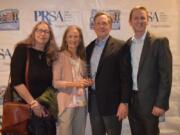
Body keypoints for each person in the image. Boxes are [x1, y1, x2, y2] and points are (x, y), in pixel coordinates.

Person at [126, 6, 172, 135]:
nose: (139, 21)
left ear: (147, 20)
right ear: (130, 22)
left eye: (142, 18)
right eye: (136, 18)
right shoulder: (128, 44)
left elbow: (166, 76)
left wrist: (161, 103)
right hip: (132, 101)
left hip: (151, 103)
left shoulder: (159, 42)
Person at [86, 12, 131, 135]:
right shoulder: (89, 48)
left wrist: (124, 102)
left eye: (104, 23)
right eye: (98, 23)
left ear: (110, 26)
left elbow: (126, 77)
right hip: (94, 101)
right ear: (94, 27)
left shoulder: (120, 46)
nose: (101, 26)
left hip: (113, 104)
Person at [10, 21, 58, 135]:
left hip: (46, 108)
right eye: (40, 30)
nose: (43, 34)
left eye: (47, 32)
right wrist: (33, 104)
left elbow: (53, 84)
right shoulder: (22, 49)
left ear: (50, 36)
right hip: (27, 108)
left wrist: (43, 103)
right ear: (34, 32)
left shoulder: (51, 55)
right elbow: (16, 81)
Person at [52, 25, 93, 135]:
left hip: (81, 103)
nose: (73, 39)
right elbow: (55, 83)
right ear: (65, 38)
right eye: (70, 36)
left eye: (76, 36)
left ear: (80, 39)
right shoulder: (59, 56)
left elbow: (82, 80)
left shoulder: (82, 57)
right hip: (66, 104)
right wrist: (75, 84)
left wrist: (86, 83)